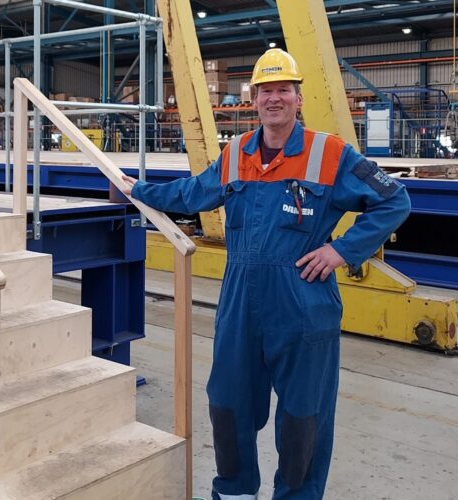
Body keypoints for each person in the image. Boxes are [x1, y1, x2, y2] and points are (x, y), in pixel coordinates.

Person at [122, 48, 411, 499]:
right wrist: (137, 189)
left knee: (302, 416)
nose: (274, 99)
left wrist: (341, 251)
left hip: (303, 303)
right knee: (227, 405)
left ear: (298, 98)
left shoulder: (329, 153)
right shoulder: (235, 153)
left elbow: (395, 200)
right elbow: (194, 193)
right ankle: (235, 492)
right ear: (253, 99)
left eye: (283, 90)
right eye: (266, 91)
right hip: (240, 304)